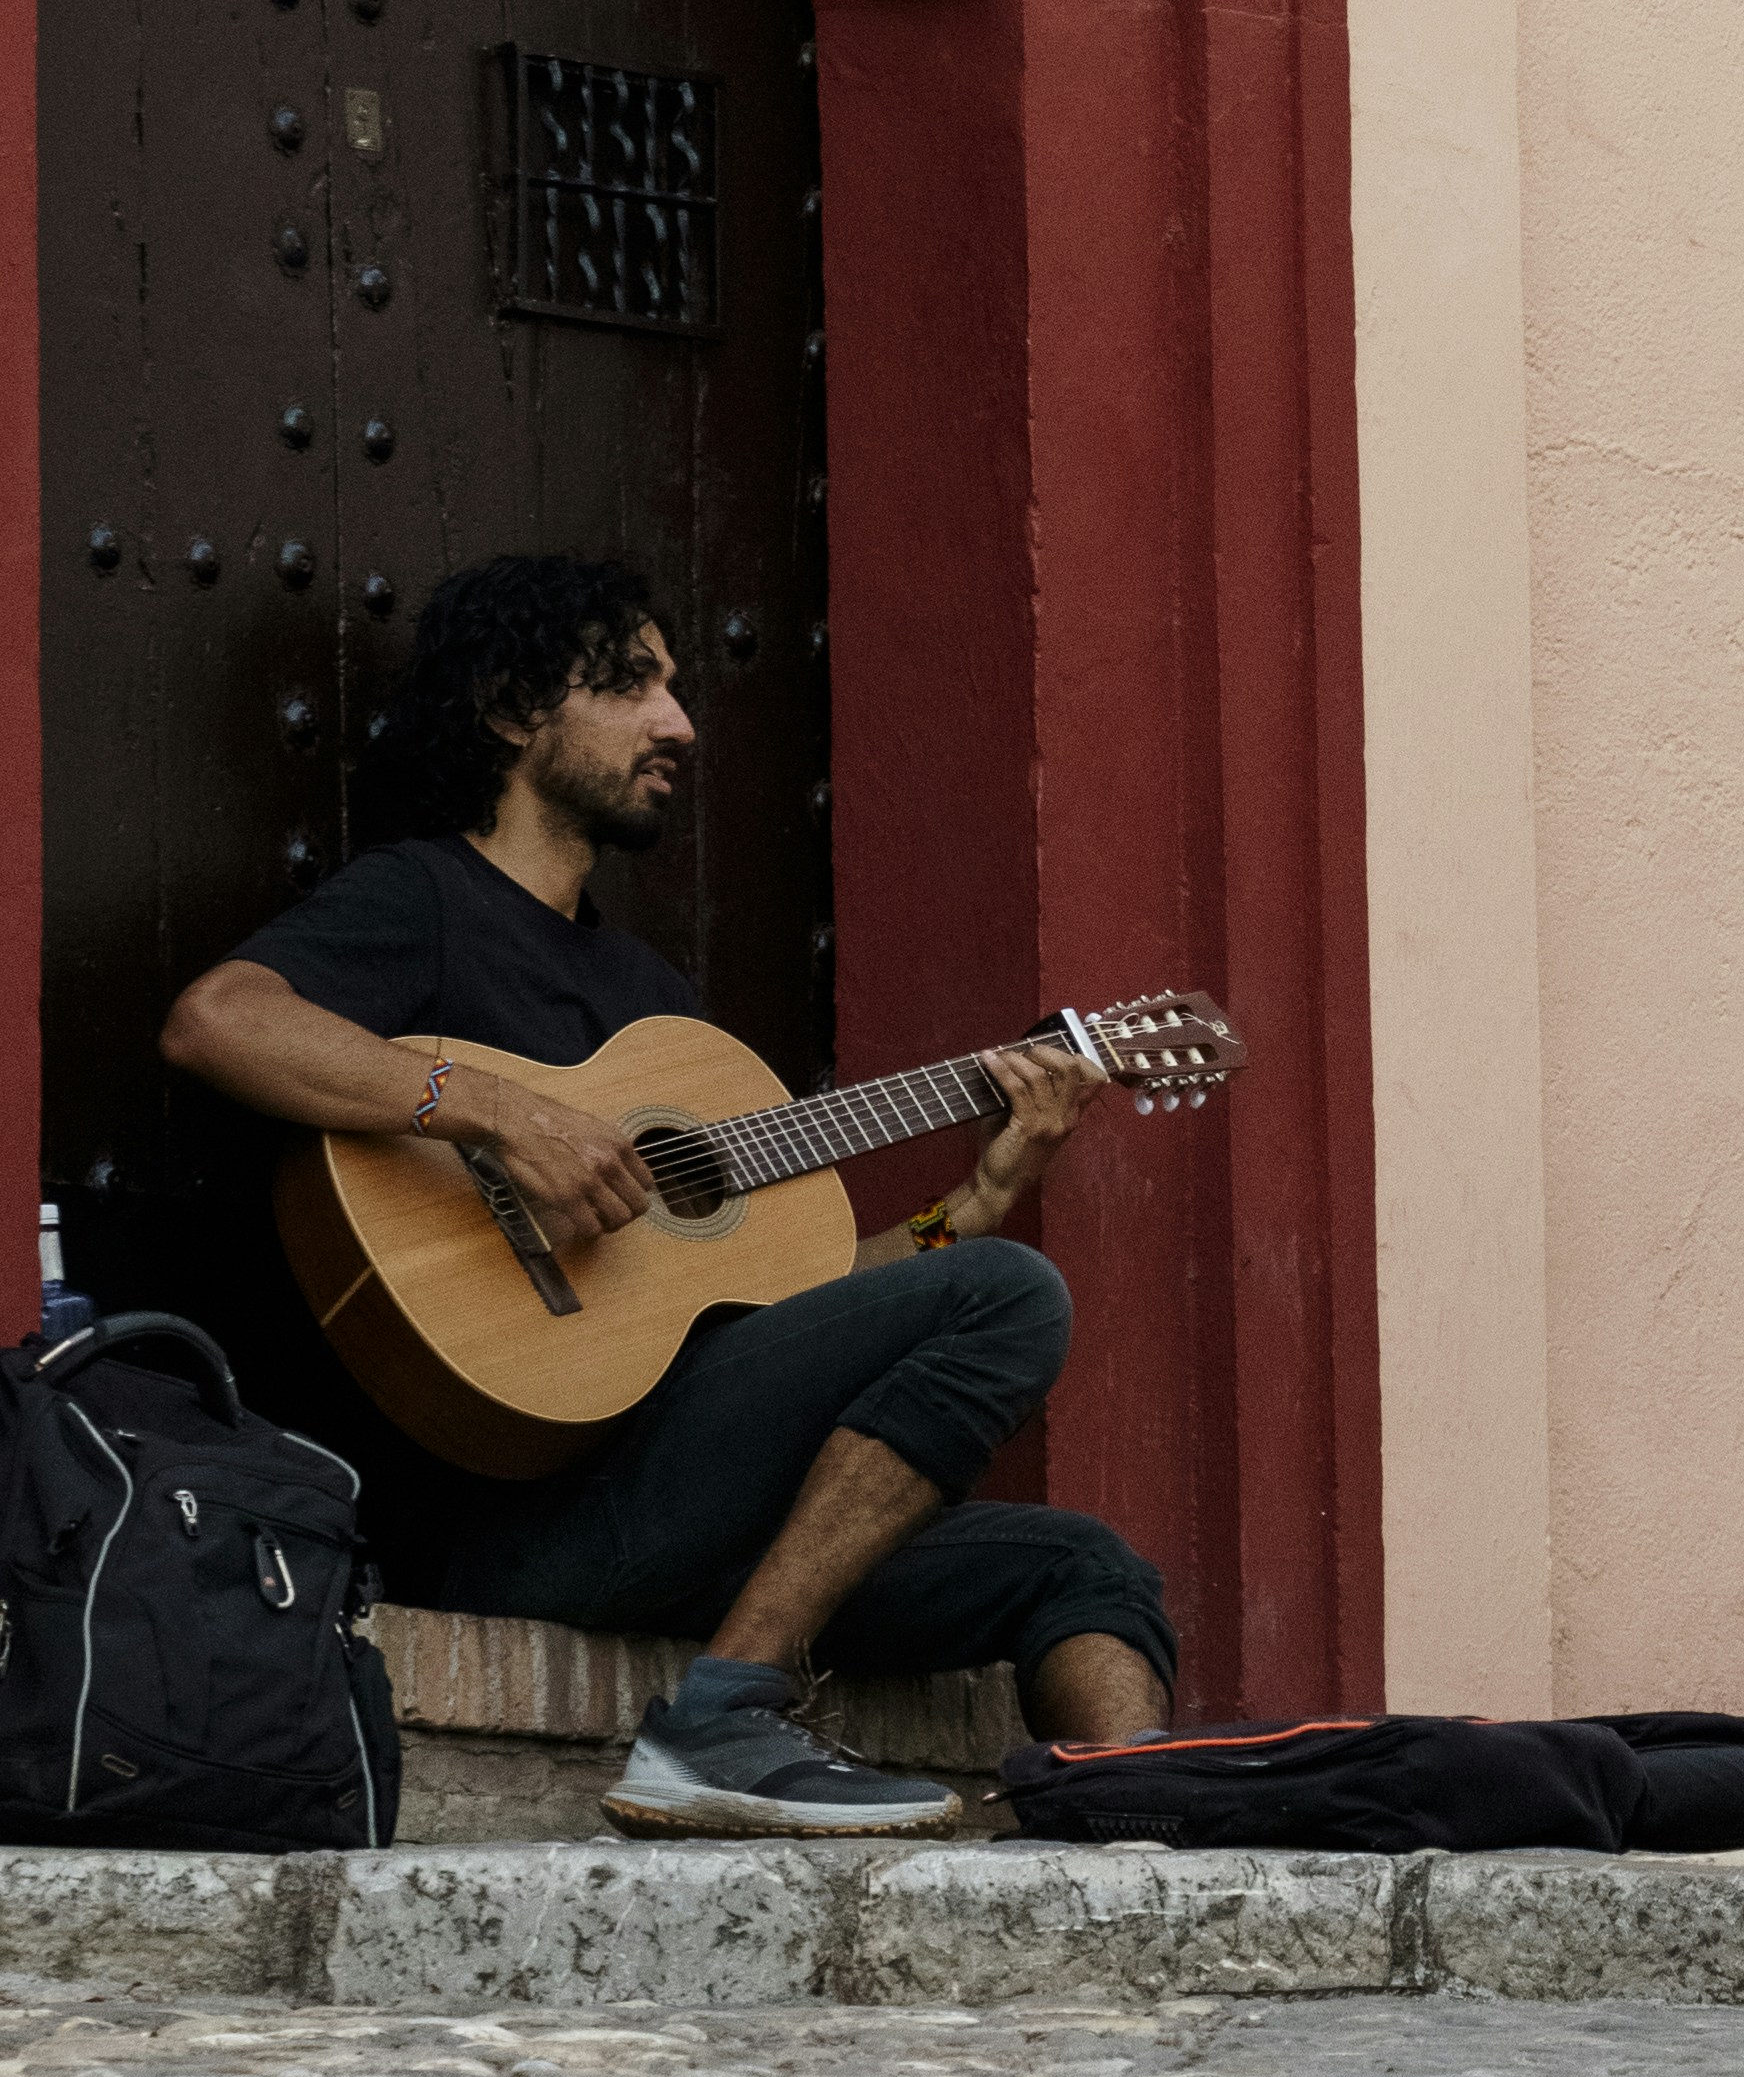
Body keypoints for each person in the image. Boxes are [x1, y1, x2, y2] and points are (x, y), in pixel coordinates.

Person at [156, 551, 1181, 1838]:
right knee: (1017, 1297)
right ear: (514, 711)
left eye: (677, 687)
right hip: (504, 1510)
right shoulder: (420, 899)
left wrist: (969, 1204)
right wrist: (492, 1108)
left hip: (668, 1510)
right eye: (633, 684)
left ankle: (1152, 1828)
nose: (679, 723)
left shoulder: (653, 1008)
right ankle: (723, 1716)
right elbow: (218, 1021)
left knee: (1084, 1563)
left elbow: (783, 1302)